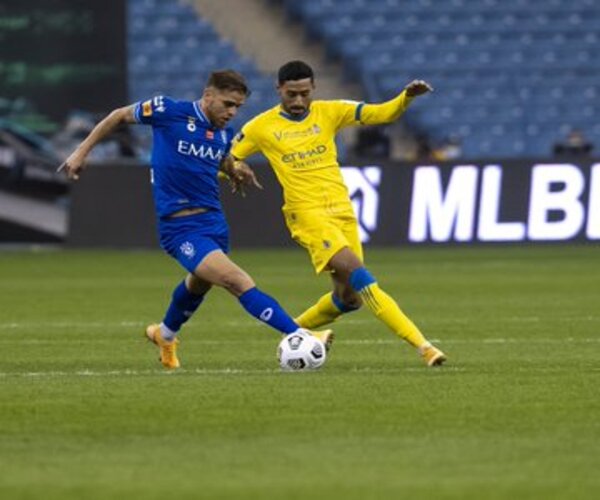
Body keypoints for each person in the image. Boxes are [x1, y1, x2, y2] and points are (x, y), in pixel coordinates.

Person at [59, 69, 332, 369]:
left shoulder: (223, 134)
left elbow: (220, 157)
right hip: (181, 228)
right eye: (227, 104)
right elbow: (118, 116)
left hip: (214, 224)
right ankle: (300, 334)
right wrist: (81, 152)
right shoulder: (167, 111)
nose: (232, 112)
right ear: (208, 96)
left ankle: (164, 334)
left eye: (237, 107)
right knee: (236, 280)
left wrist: (234, 169)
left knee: (198, 285)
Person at [231, 60, 446, 366]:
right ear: (279, 89)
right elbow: (225, 158)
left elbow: (380, 113)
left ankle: (292, 330)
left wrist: (406, 97)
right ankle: (423, 346)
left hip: (342, 212)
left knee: (349, 299)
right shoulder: (260, 127)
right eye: (291, 94)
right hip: (307, 214)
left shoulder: (329, 112)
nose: (297, 101)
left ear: (313, 89)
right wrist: (235, 168)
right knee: (361, 276)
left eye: (304, 93)